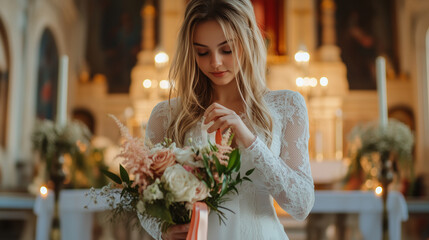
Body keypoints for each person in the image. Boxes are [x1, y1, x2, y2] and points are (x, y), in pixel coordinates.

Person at [140, 0, 314, 239]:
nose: (215, 62)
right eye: (202, 52)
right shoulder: (167, 115)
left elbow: (301, 206)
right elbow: (145, 202)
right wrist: (164, 232)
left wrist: (250, 140)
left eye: (227, 50)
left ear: (249, 42)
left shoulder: (287, 106)